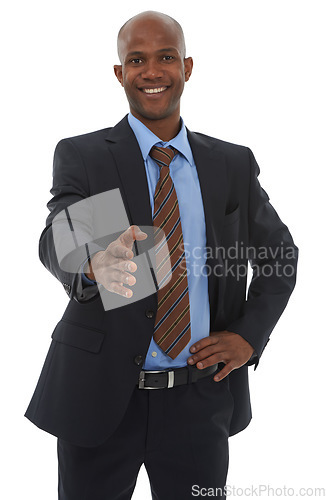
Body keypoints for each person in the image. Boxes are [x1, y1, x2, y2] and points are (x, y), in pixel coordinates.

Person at [25, 10, 298, 500]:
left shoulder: (230, 163)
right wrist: (92, 260)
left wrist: (248, 337)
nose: (152, 71)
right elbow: (57, 233)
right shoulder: (88, 156)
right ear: (119, 73)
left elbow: (281, 257)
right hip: (101, 397)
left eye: (165, 57)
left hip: (200, 398)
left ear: (187, 67)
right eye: (137, 60)